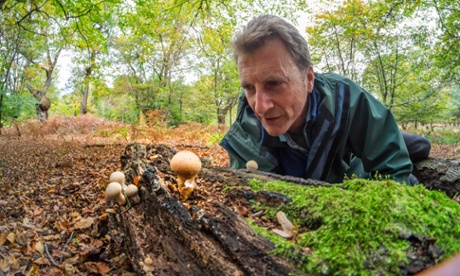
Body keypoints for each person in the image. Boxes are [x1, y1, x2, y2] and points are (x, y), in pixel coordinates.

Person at [220, 14, 430, 185]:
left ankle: (387, 136)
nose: (260, 106)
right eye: (249, 87)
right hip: (326, 187)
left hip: (352, 162)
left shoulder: (345, 99)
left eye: (274, 84)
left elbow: (393, 170)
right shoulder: (244, 127)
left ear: (308, 79)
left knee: (420, 147)